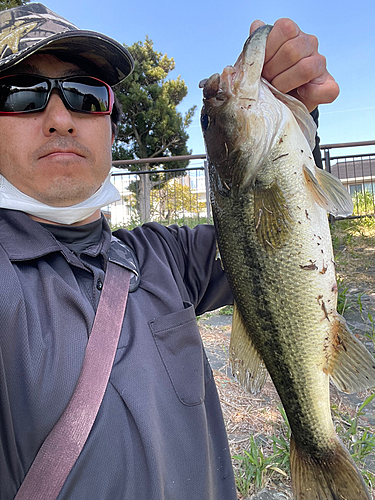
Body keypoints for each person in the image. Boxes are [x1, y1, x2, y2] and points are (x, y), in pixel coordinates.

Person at [0, 4, 339, 500]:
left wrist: (299, 121)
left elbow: (288, 241)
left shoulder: (164, 255)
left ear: (111, 129)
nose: (59, 119)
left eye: (86, 95)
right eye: (22, 94)